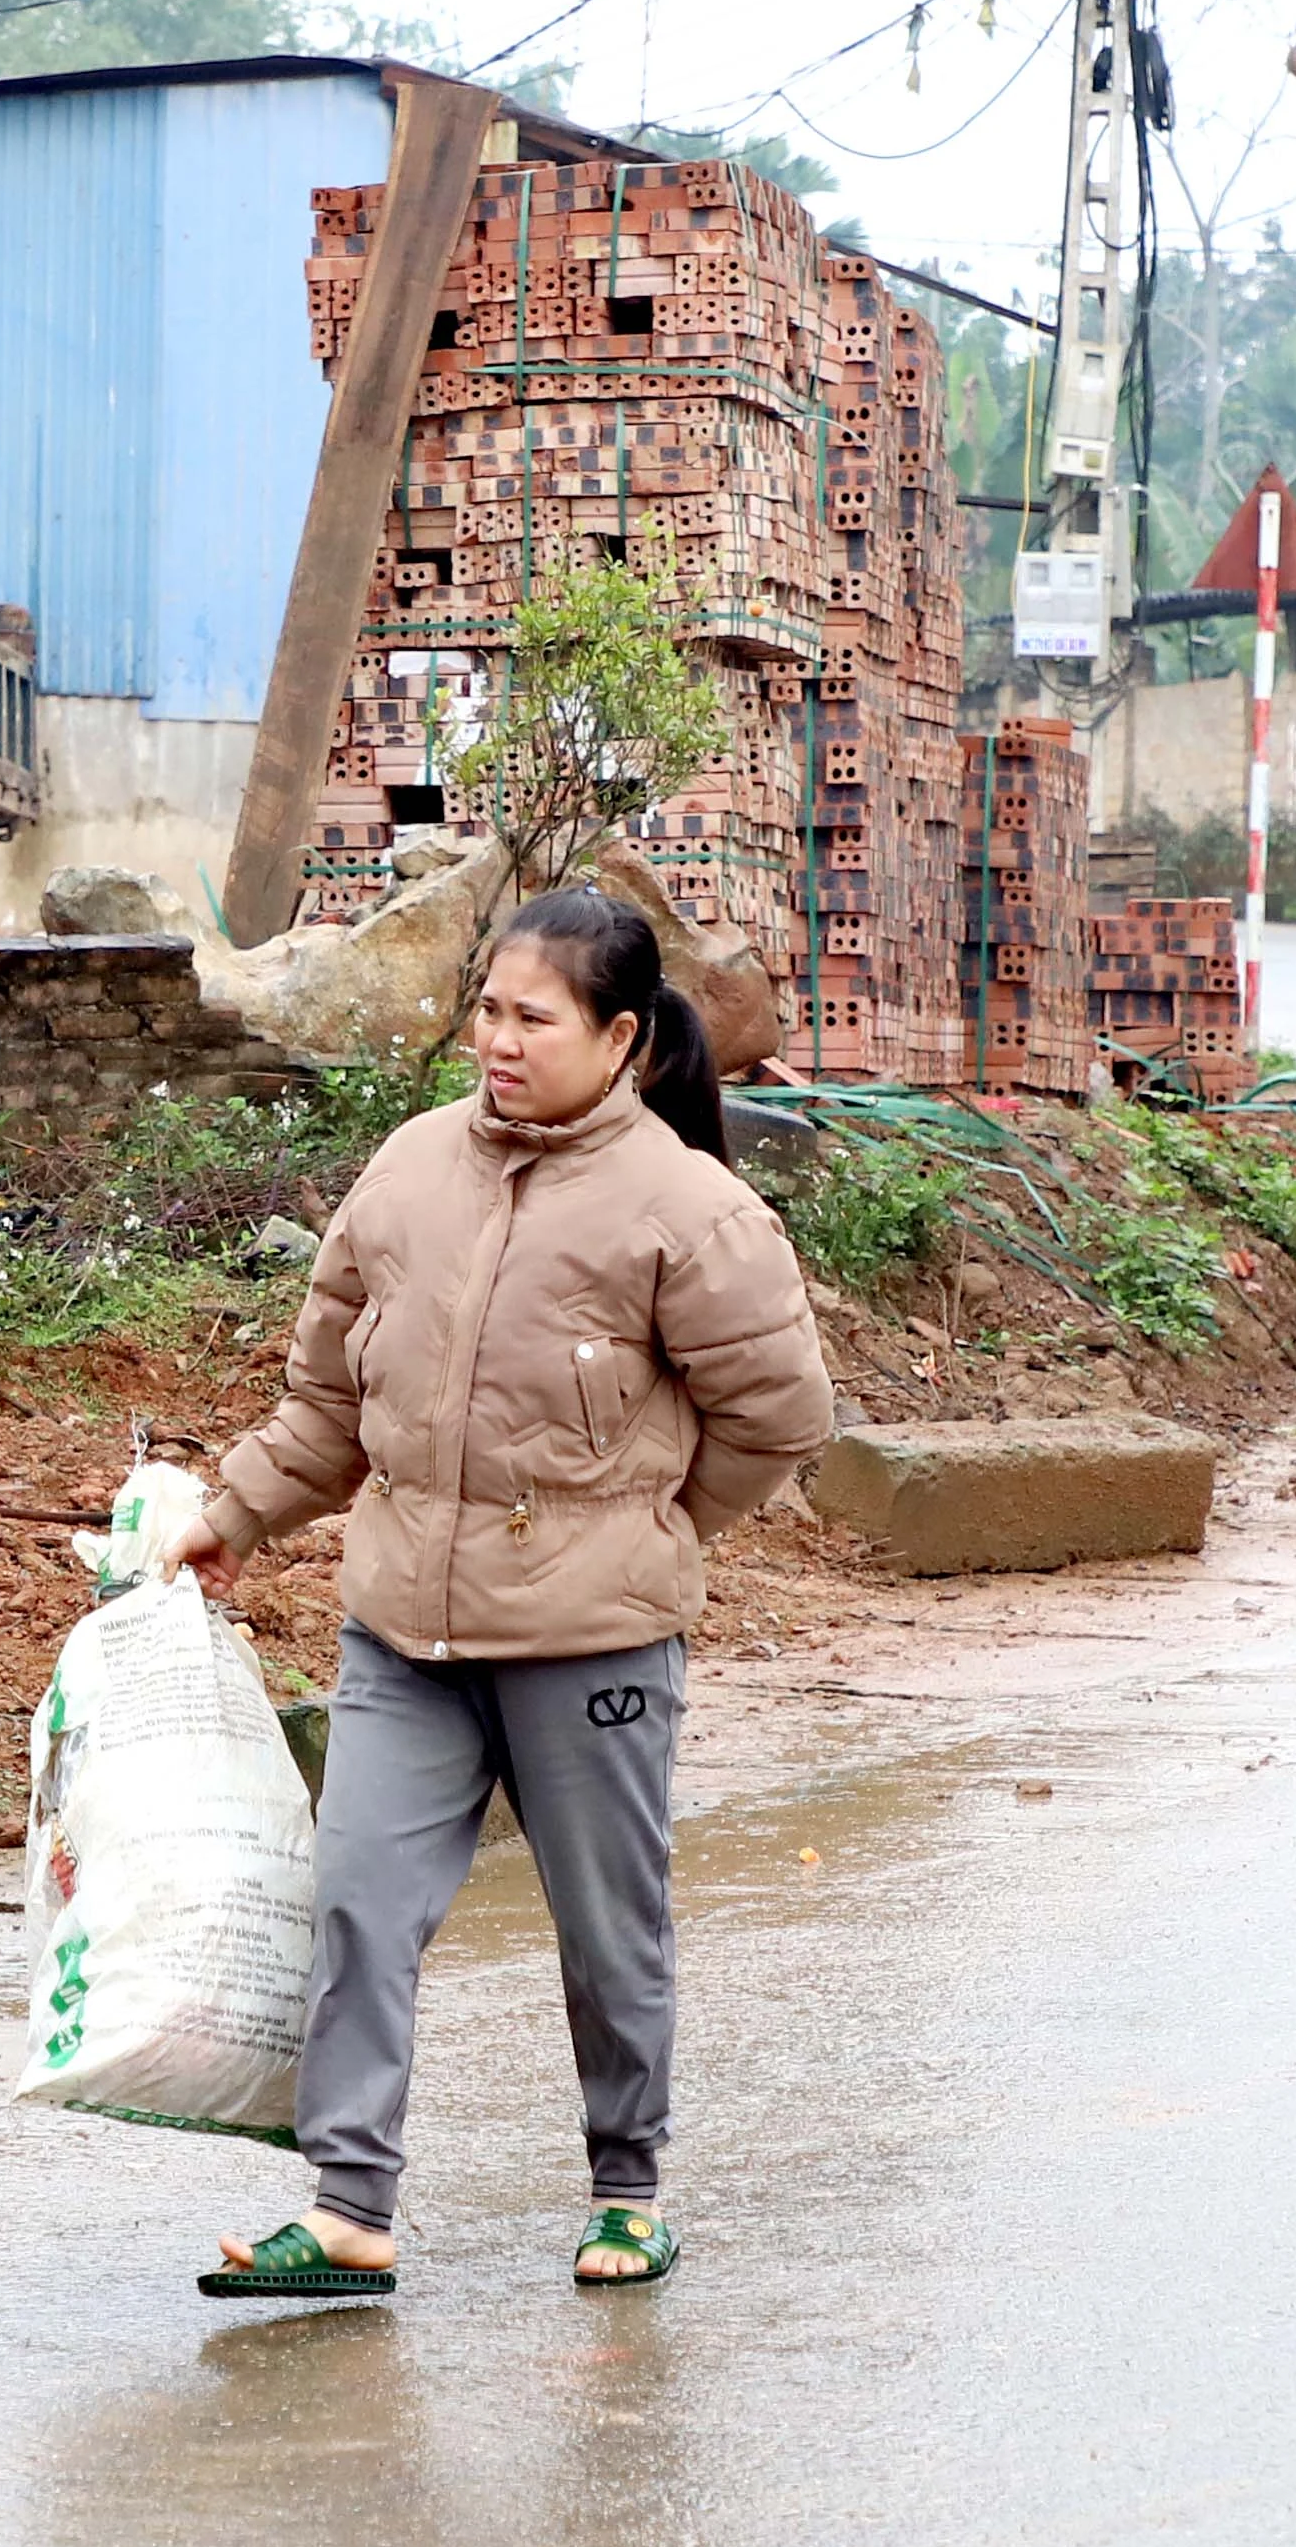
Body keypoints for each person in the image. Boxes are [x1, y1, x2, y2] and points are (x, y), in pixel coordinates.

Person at [167, 885, 834, 2299]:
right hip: (404, 1623)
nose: (501, 1041)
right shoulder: (411, 1171)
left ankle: (628, 2189)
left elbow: (781, 1416)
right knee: (358, 1895)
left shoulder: (690, 1212)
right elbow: (328, 1400)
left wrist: (649, 1529)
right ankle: (349, 2211)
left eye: (536, 1017)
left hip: (589, 1638)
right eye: (489, 1011)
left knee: (606, 1927)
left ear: (626, 1041)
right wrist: (234, 1514)